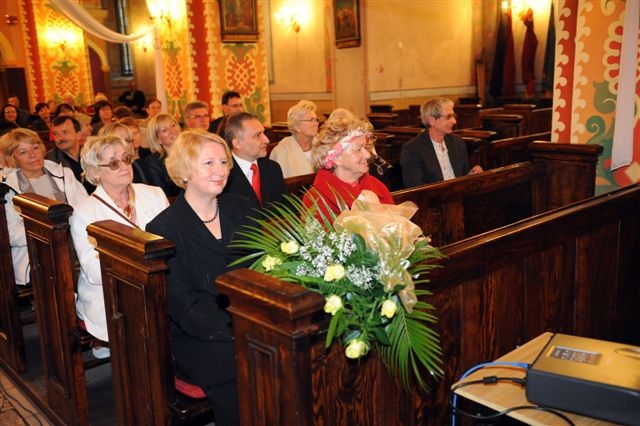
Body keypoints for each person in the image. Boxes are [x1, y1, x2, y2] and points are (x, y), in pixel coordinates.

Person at [146, 129, 253, 426]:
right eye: (209, 163)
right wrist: (238, 331)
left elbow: (264, 269)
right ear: (184, 171)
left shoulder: (242, 207)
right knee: (242, 378)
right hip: (202, 336)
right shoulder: (164, 228)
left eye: (223, 162)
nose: (220, 170)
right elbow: (183, 306)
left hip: (251, 319)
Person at [69, 134, 169, 357]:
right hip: (110, 291)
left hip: (158, 279)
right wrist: (141, 266)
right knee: (144, 316)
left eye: (126, 158)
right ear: (95, 172)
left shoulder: (154, 194)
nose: (124, 166)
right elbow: (94, 271)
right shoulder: (84, 212)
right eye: (114, 163)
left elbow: (173, 241)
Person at [0, 128, 88, 288]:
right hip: (35, 254)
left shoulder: (64, 174)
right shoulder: (8, 188)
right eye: (23, 152)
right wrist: (52, 234)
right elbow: (12, 233)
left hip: (75, 243)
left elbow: (85, 210)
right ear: (13, 158)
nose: (32, 155)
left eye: (35, 147)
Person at [302, 114, 393, 218]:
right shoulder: (316, 199)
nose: (367, 155)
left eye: (365, 147)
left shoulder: (376, 185)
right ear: (336, 158)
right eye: (358, 149)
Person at [400, 97, 483, 188]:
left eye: (453, 116)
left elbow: (461, 177)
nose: (454, 121)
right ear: (432, 120)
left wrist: (470, 176)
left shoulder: (457, 142)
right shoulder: (413, 149)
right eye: (448, 117)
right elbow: (414, 188)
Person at [223, 112, 287, 208]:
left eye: (264, 133)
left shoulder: (272, 168)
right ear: (237, 143)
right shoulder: (224, 173)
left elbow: (285, 207)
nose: (267, 140)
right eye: (257, 135)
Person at [269, 99, 317, 178]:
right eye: (311, 120)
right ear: (296, 126)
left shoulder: (321, 146)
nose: (316, 124)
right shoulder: (282, 151)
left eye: (316, 120)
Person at [49, 115, 96, 193]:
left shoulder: (92, 154)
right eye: (56, 134)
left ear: (78, 134)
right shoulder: (50, 161)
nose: (60, 138)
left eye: (65, 132)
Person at [140, 112, 182, 197]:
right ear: (158, 139)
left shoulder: (193, 153)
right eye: (164, 130)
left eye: (173, 125)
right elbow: (162, 196)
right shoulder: (153, 164)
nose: (172, 131)